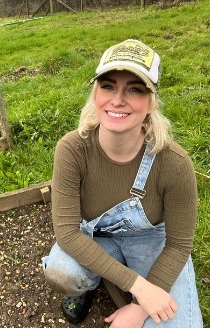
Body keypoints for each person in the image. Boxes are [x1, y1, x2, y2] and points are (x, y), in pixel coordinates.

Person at [42, 39, 202, 327]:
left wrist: (139, 308)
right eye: (108, 86)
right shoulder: (72, 149)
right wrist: (140, 288)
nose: (118, 99)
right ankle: (89, 284)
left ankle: (120, 276)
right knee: (62, 270)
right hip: (97, 238)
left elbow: (178, 245)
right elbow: (67, 233)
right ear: (95, 93)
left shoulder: (174, 164)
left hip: (153, 244)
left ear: (151, 101)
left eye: (135, 89)